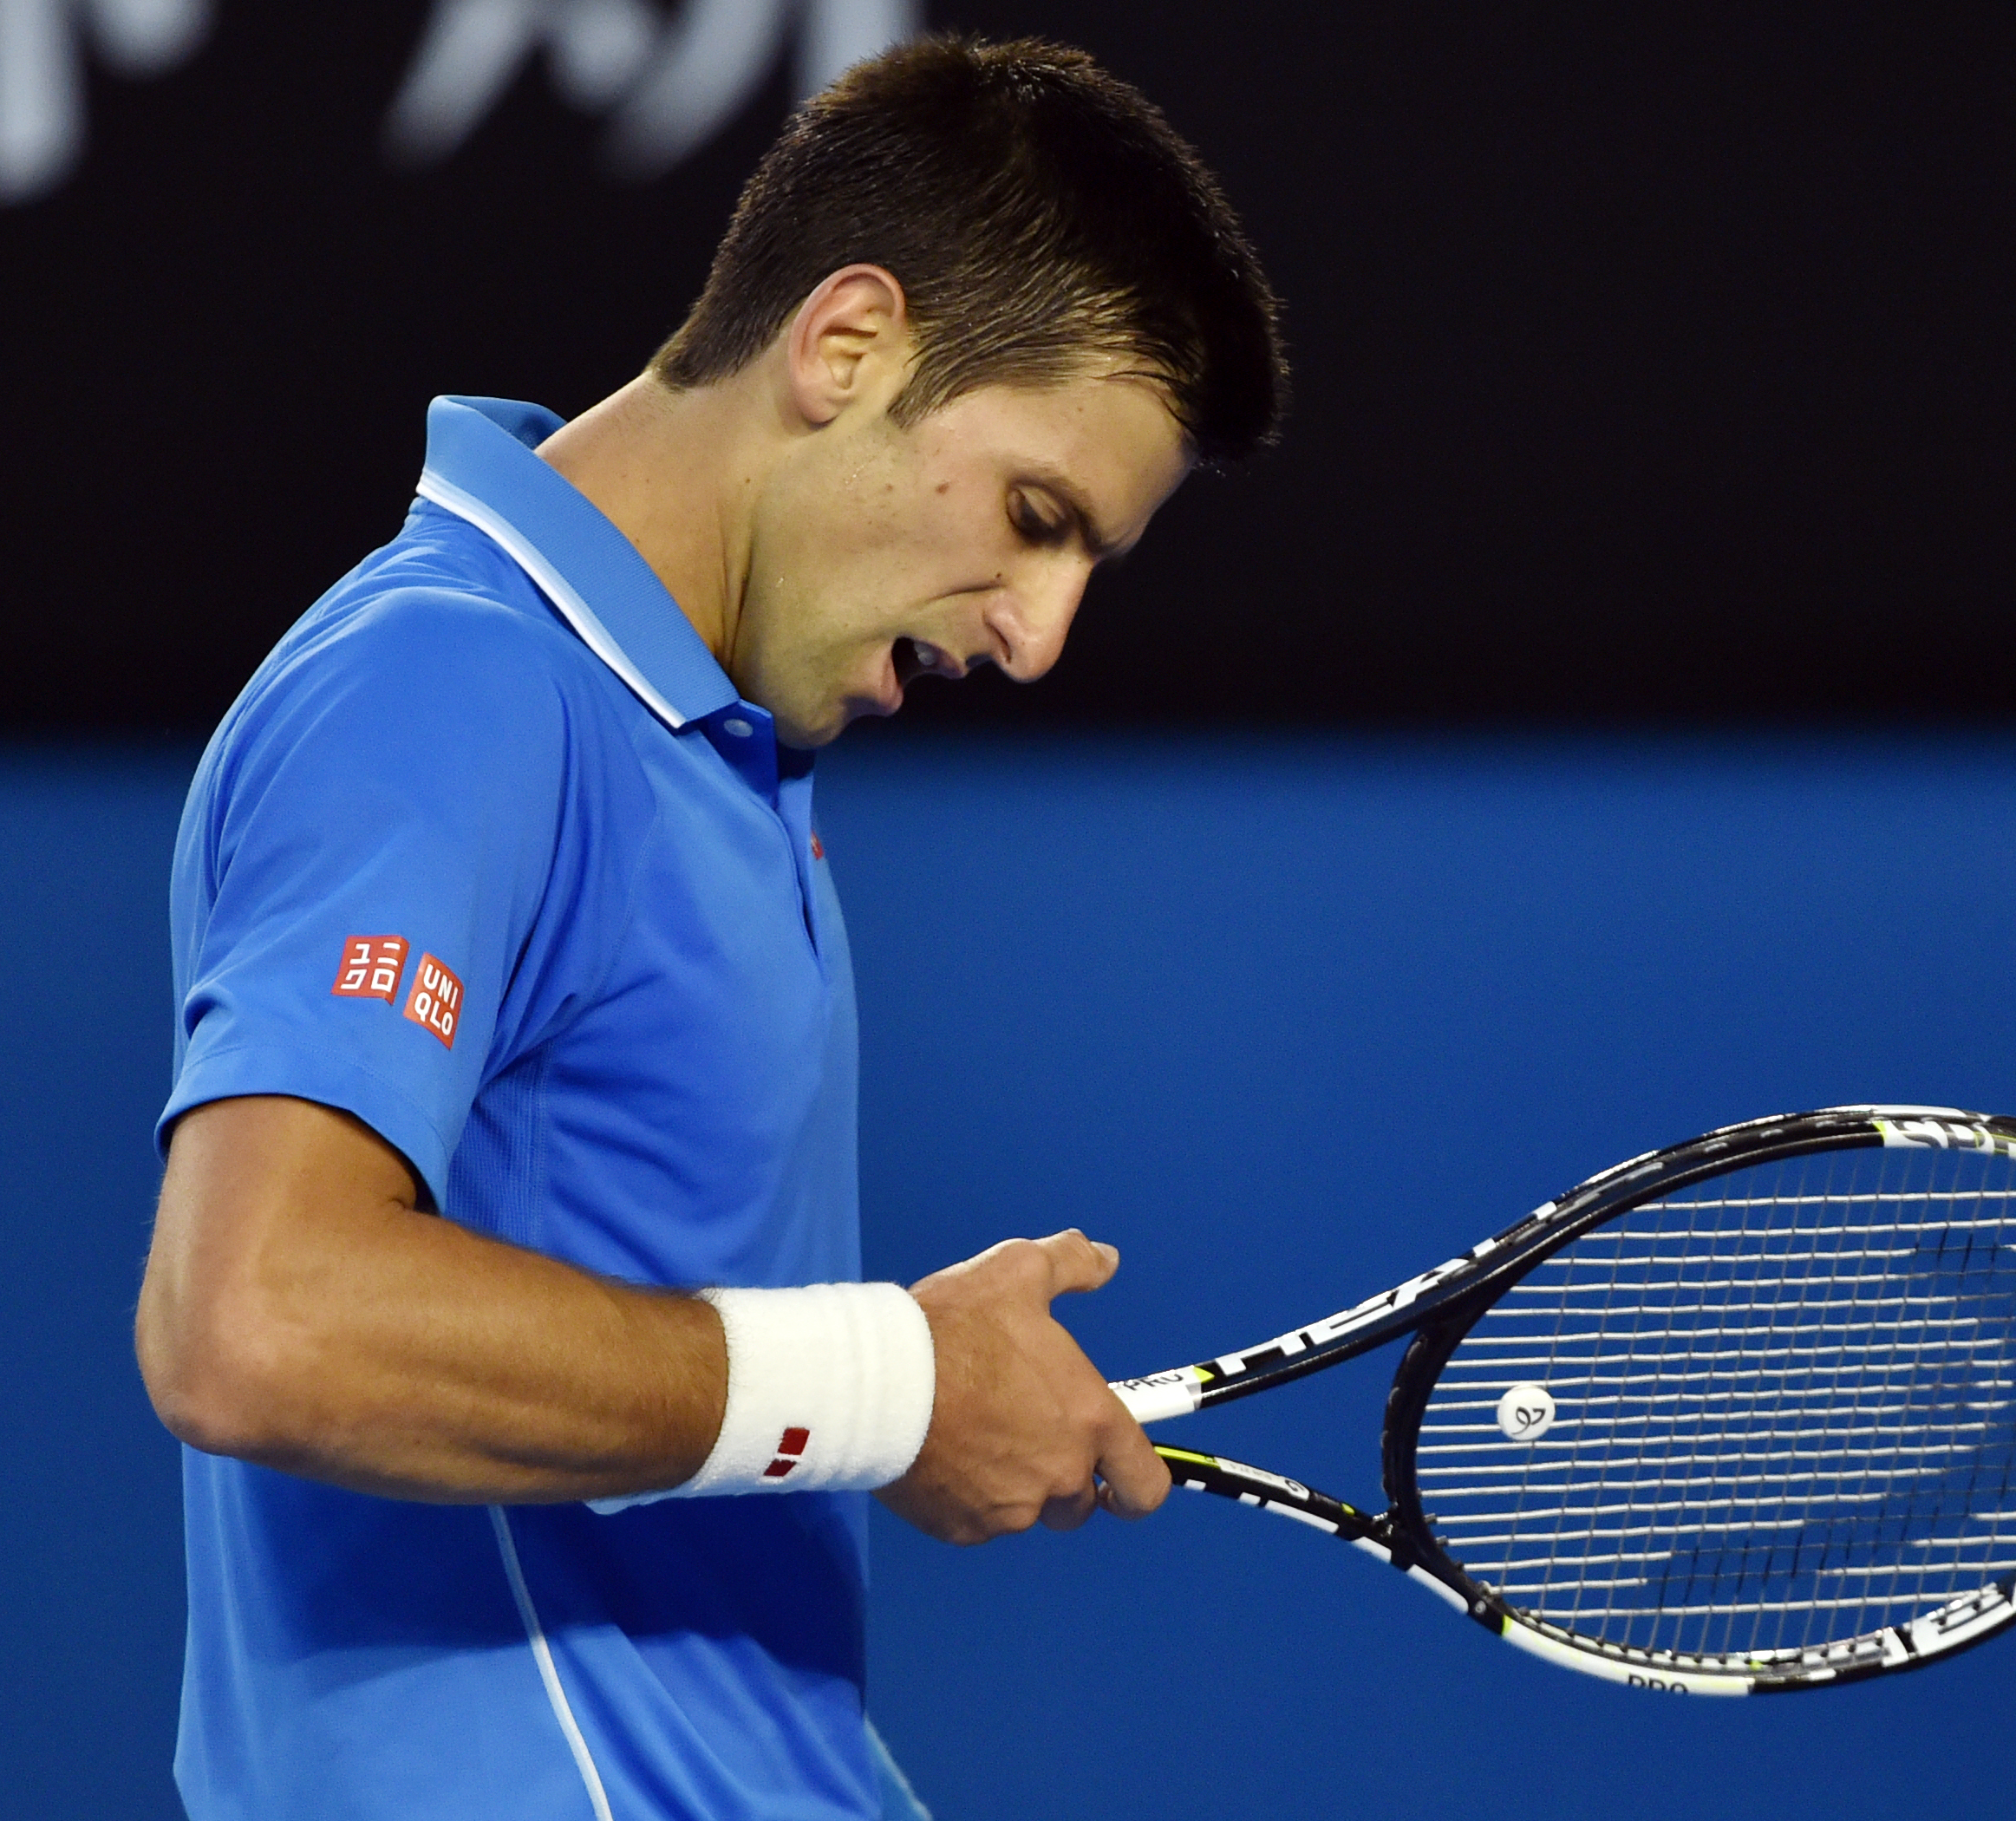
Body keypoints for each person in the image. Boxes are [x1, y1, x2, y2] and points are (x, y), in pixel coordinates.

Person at [132, 33, 1286, 1821]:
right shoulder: (455, 683)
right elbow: (258, 1319)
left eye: (1086, 566)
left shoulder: (706, 743)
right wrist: (884, 1380)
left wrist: (887, 1379)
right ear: (845, 348)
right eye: (1033, 519)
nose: (1039, 636)